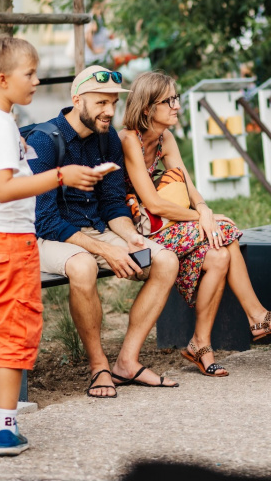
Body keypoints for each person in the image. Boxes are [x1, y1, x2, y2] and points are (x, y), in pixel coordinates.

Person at [0, 36, 102, 456]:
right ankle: (7, 427)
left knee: (3, 325)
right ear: (2, 79)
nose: (37, 81)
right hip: (5, 241)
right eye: (29, 74)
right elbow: (3, 188)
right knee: (16, 330)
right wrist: (61, 175)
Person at [119, 71, 271, 377]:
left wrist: (204, 208)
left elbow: (188, 186)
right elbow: (154, 203)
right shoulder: (128, 139)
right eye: (169, 100)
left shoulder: (165, 138)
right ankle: (257, 316)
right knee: (224, 233)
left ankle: (200, 344)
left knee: (220, 254)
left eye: (176, 98)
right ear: (147, 108)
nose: (176, 105)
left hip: (164, 225)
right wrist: (203, 219)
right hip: (134, 232)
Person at [26, 65, 181, 397]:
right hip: (49, 239)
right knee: (82, 265)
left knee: (165, 260)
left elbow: (112, 202)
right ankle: (99, 367)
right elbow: (46, 220)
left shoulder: (108, 138)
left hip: (97, 231)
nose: (110, 111)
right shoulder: (45, 140)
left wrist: (129, 236)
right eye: (100, 103)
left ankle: (127, 361)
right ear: (77, 99)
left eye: (113, 102)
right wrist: (106, 250)